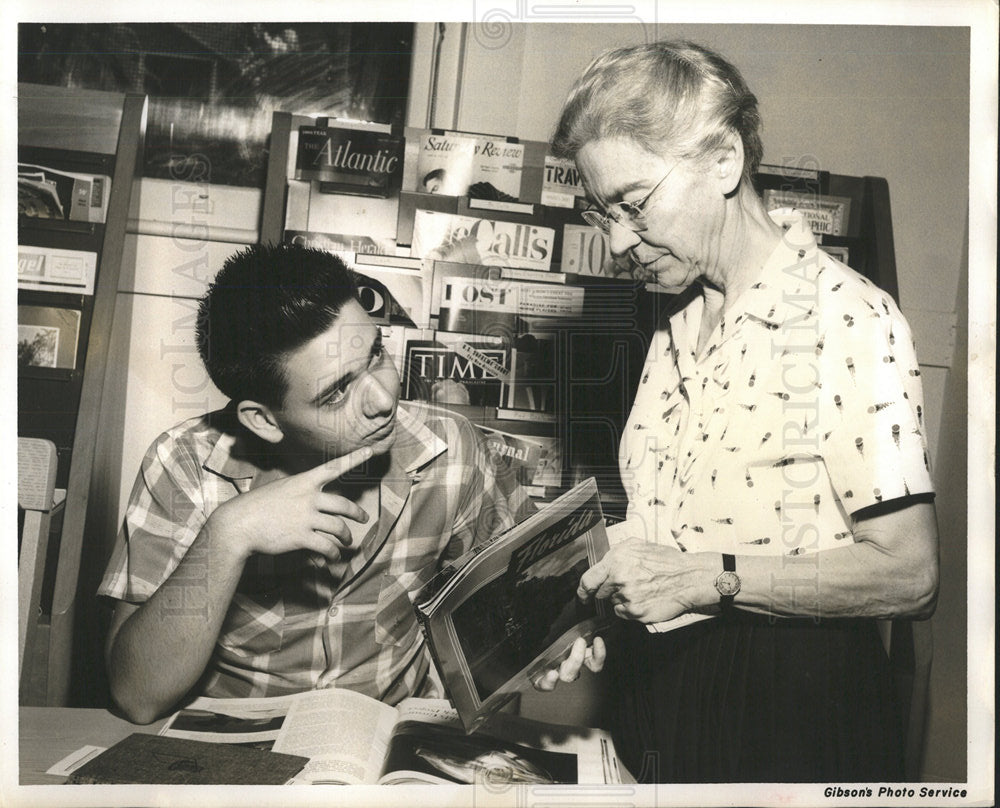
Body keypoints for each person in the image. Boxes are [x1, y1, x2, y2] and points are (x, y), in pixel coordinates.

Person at [551, 40, 939, 782]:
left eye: (632, 205)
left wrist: (707, 580)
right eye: (601, 214)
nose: (618, 243)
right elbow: (681, 522)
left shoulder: (848, 319)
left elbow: (911, 575)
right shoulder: (674, 317)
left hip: (790, 709)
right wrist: (591, 611)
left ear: (723, 161)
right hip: (660, 692)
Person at [99, 243, 593, 725]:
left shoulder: (453, 448)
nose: (382, 400)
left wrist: (547, 640)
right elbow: (136, 697)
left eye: (377, 355)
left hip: (390, 746)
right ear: (263, 420)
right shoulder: (184, 463)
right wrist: (228, 535)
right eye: (337, 392)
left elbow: (525, 603)